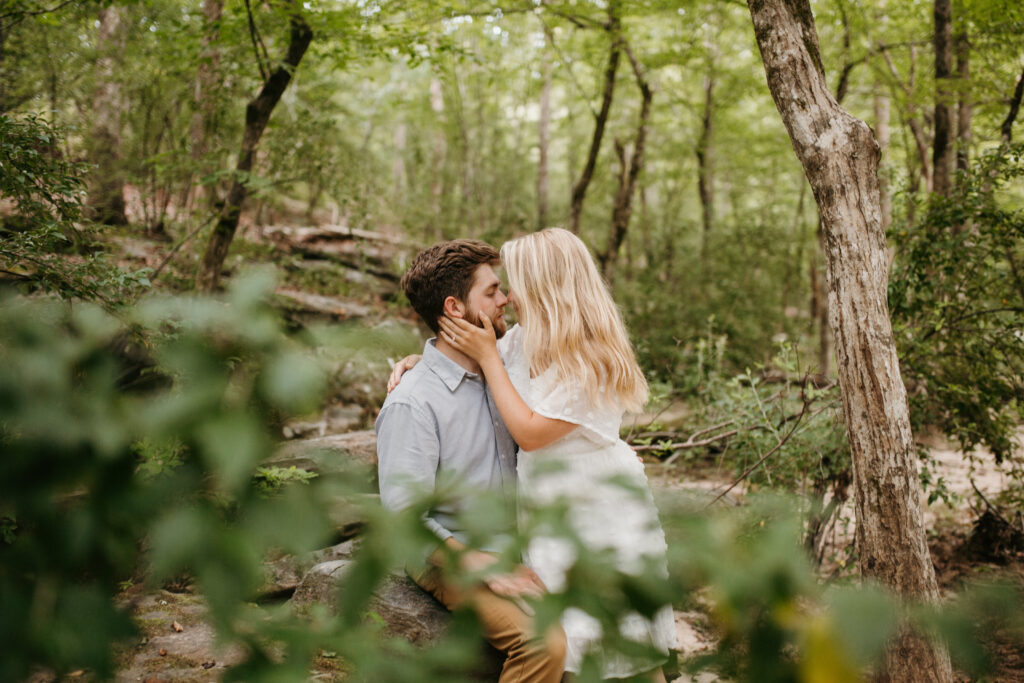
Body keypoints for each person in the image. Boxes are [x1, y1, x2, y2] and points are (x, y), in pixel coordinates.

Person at [436, 228, 677, 681]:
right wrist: (418, 364)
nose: (506, 296)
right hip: (548, 507)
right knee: (570, 643)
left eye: (514, 283)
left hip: (598, 511)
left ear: (544, 287)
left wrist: (489, 359)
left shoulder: (592, 359)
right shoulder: (520, 341)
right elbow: (464, 355)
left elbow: (528, 432)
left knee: (623, 647)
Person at [375, 239, 567, 683]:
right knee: (544, 642)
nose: (506, 300)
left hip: (520, 542)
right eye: (493, 291)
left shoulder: (503, 369)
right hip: (447, 553)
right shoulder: (413, 402)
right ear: (455, 309)